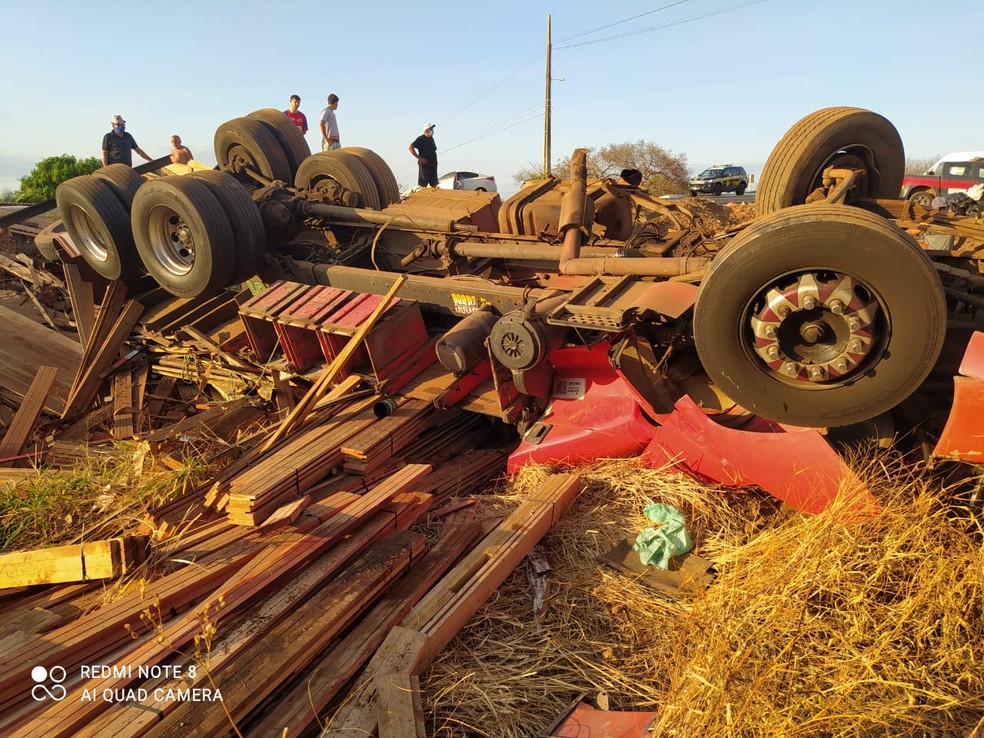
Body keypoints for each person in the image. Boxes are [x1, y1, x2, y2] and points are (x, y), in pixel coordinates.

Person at [408, 123, 438, 188]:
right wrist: (419, 158)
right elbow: (410, 147)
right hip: (425, 165)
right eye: (430, 129)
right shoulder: (421, 139)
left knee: (434, 184)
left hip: (433, 165)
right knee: (422, 185)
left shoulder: (431, 139)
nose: (432, 130)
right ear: (426, 130)